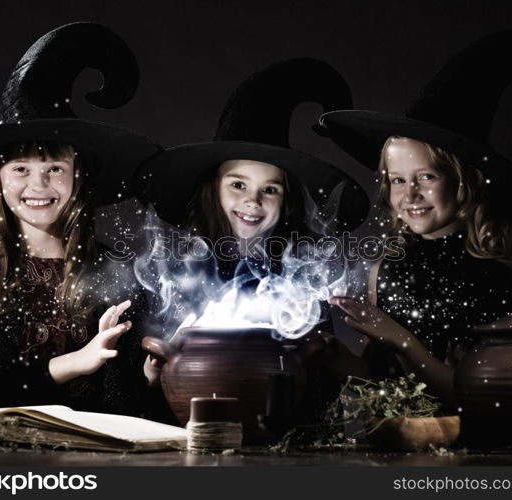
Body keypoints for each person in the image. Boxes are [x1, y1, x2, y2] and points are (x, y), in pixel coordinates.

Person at [317, 29, 512, 407]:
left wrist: (402, 339)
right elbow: (381, 380)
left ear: (465, 182)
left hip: (470, 453)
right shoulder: (387, 266)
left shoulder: (490, 277)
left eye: (426, 177)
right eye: (397, 180)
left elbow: (473, 396)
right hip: (393, 448)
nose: (409, 195)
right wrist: (334, 359)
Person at [0, 23, 161, 409]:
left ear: (78, 179)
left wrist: (152, 372)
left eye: (55, 169)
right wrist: (77, 361)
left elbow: (128, 394)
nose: (39, 184)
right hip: (3, 449)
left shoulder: (117, 266)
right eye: (21, 169)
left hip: (95, 449)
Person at [132, 58, 370, 420]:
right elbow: (131, 403)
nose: (252, 201)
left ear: (285, 201)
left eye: (269, 189)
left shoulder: (302, 283)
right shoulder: (173, 274)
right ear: (213, 189)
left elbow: (321, 397)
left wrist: (309, 362)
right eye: (238, 184)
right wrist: (151, 374)